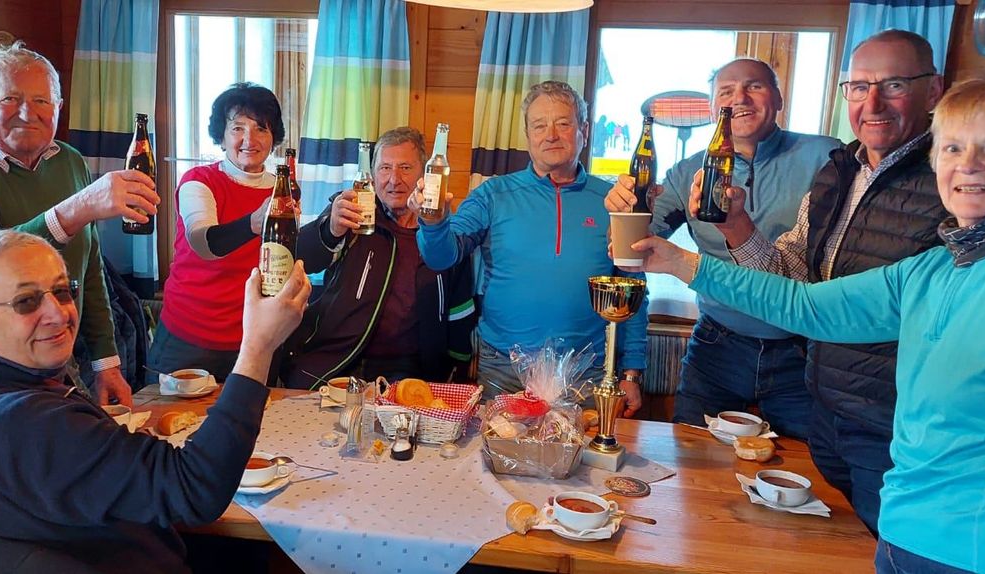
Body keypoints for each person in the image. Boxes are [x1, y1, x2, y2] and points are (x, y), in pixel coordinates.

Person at [628, 75, 985, 574]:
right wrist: (681, 262)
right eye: (953, 147)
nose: (969, 164)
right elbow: (807, 305)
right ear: (936, 164)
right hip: (902, 532)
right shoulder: (933, 270)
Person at [680, 31, 948, 535]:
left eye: (892, 85)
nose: (872, 102)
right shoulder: (839, 172)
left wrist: (682, 263)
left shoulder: (954, 176)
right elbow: (793, 284)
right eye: (859, 86)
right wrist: (735, 224)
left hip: (898, 420)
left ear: (933, 90)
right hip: (827, 400)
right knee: (818, 535)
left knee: (886, 546)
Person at [0, 229, 310, 572]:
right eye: (26, 301)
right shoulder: (31, 423)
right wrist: (258, 347)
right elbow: (196, 487)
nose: (58, 314)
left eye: (62, 291)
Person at [0, 42, 158, 414]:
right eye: (9, 98)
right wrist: (77, 209)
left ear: (58, 107)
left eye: (42, 101)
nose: (27, 112)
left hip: (51, 364)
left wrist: (106, 362)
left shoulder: (67, 161)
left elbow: (87, 268)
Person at [606, 58, 841, 439]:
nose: (739, 99)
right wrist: (623, 210)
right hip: (717, 346)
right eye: (726, 91)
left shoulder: (827, 157)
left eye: (754, 86)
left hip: (801, 351)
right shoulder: (687, 173)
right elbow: (631, 250)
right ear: (714, 107)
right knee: (690, 459)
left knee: (807, 473)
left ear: (779, 98)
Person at [416, 80, 647, 413]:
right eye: (539, 125)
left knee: (582, 464)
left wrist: (631, 372)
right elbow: (441, 256)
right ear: (528, 135)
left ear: (583, 129)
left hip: (588, 372)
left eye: (563, 123)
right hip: (504, 370)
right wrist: (434, 220)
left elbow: (635, 287)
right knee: (499, 461)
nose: (550, 134)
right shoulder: (492, 194)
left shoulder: (612, 200)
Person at [281, 127, 476, 389]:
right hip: (336, 361)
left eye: (405, 168)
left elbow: (459, 310)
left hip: (411, 371)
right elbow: (297, 258)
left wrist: (458, 372)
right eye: (385, 168)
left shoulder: (441, 233)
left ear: (425, 174)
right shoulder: (352, 212)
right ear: (372, 175)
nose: (393, 179)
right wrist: (329, 230)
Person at [150, 82, 286, 383]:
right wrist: (253, 222)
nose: (249, 139)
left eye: (261, 128)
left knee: (250, 426)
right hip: (189, 335)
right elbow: (204, 241)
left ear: (273, 137)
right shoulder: (198, 181)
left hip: (254, 339)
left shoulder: (283, 189)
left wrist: (331, 228)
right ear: (221, 137)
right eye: (237, 128)